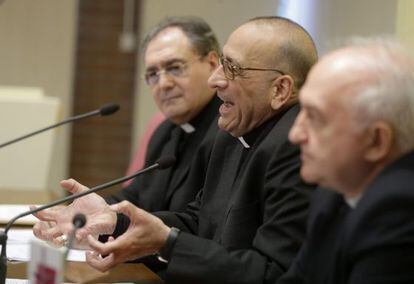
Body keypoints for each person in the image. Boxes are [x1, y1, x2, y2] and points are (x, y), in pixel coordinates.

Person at [81, 16, 317, 283]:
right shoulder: (235, 130)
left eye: (232, 68)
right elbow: (199, 221)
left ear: (280, 89)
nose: (215, 80)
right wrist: (116, 222)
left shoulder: (296, 147)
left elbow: (273, 274)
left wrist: (167, 243)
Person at [32, 16, 222, 244]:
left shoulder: (229, 133)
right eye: (153, 74)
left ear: (212, 63)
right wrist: (87, 214)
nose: (163, 84)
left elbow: (200, 224)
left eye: (175, 68)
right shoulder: (165, 131)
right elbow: (136, 197)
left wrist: (113, 222)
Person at [279, 39, 414, 284]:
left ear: (376, 141)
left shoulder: (399, 208)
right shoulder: (332, 191)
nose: (294, 134)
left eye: (315, 117)